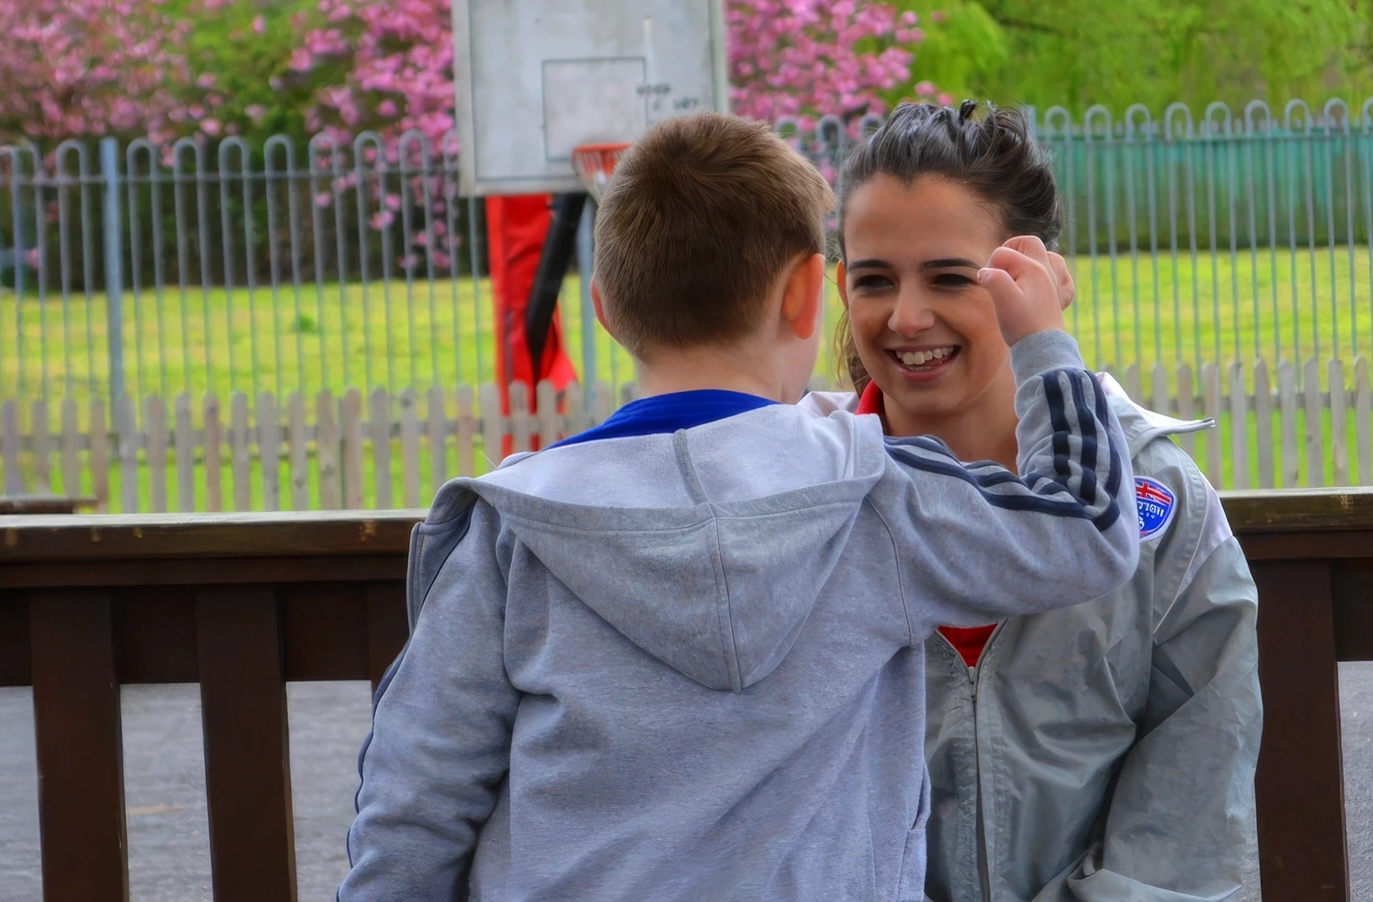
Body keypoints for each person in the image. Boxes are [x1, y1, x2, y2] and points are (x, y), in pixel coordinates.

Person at [340, 112, 1142, 901]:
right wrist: (1042, 341)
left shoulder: (513, 529)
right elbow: (1088, 532)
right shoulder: (875, 498)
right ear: (804, 294)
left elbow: (415, 802)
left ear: (606, 309)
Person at [813, 100, 1263, 902]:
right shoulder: (800, 499)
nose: (906, 316)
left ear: (1036, 279)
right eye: (875, 280)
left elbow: (1188, 813)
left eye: (951, 277)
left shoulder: (1161, 506)